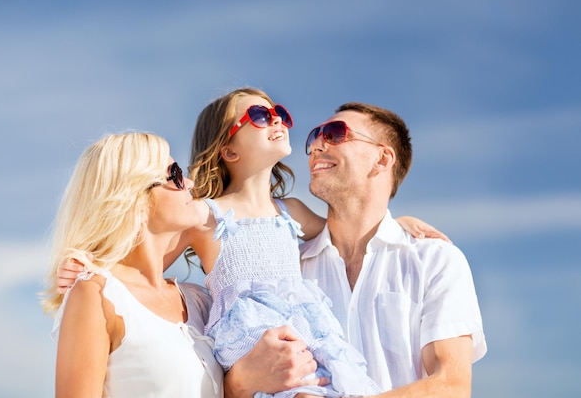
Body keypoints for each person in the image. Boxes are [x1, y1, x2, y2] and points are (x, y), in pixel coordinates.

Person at [225, 102, 487, 398]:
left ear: (382, 158)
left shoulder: (436, 260)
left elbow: (451, 386)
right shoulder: (287, 267)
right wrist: (238, 382)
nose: (315, 147)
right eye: (314, 137)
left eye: (335, 133)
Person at [39, 132, 223, 398]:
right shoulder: (96, 294)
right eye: (175, 173)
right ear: (134, 194)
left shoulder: (200, 300)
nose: (190, 183)